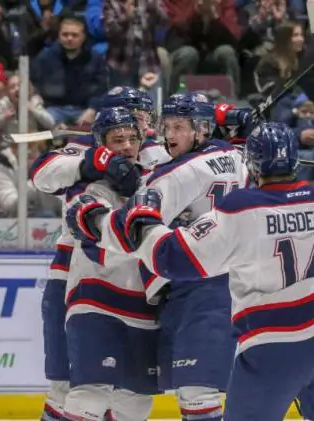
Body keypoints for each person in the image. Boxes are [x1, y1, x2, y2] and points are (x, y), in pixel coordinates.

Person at [68, 122, 314, 421]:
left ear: (253, 165)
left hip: (273, 349)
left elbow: (172, 259)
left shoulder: (240, 209)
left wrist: (145, 222)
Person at [68, 94, 249, 421]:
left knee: (198, 394)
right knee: (192, 394)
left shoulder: (172, 175)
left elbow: (130, 230)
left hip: (203, 287)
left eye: (179, 127)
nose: (169, 135)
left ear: (202, 129)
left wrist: (91, 220)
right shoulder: (238, 154)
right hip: (213, 285)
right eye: (167, 127)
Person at [28, 109, 142, 421]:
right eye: (117, 137)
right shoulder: (86, 156)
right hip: (75, 278)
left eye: (136, 131)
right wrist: (93, 162)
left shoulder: (159, 156)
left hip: (135, 289)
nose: (128, 143)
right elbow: (41, 172)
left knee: (130, 395)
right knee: (71, 387)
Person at [61, 107, 159, 421]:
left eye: (133, 138)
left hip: (143, 306)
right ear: (102, 145)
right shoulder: (87, 186)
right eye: (118, 140)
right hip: (96, 301)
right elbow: (91, 229)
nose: (128, 146)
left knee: (136, 401)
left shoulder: (159, 182)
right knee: (89, 394)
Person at [95, 86, 171, 169]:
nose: (146, 127)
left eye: (147, 119)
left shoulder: (156, 151)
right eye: (139, 118)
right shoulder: (84, 156)